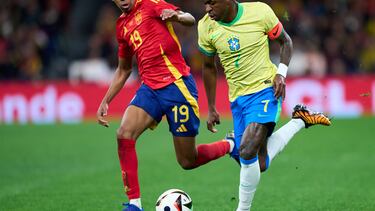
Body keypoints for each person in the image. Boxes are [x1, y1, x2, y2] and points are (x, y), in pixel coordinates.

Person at [97, 0, 234, 210]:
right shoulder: (121, 26)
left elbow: (190, 19)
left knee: (187, 160)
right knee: (124, 134)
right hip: (150, 88)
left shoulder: (151, 4)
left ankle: (230, 145)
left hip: (177, 86)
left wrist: (177, 16)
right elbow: (124, 69)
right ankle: (134, 204)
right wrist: (106, 100)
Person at [198, 0, 331, 210]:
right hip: (237, 99)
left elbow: (286, 42)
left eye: (212, 3)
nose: (207, 9)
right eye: (205, 3)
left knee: (248, 149)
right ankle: (299, 121)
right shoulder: (205, 26)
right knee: (257, 164)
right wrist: (212, 106)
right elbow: (208, 67)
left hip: (265, 89)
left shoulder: (260, 12)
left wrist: (281, 73)